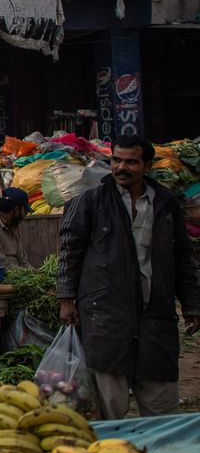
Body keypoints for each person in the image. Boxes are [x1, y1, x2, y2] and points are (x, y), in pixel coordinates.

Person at [58, 134, 200, 420]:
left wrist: (193, 304)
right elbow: (69, 250)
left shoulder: (165, 203)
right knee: (110, 406)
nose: (121, 167)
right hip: (106, 313)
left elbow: (182, 258)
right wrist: (66, 297)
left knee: (161, 404)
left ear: (147, 166)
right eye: (116, 160)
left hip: (156, 314)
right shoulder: (91, 201)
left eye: (131, 162)